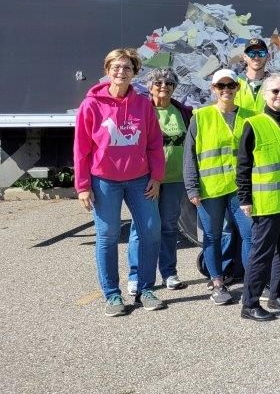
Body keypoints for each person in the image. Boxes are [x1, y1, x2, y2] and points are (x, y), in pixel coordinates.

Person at [74, 48, 166, 316]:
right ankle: (112, 295)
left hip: (140, 180)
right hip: (105, 182)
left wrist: (156, 177)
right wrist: (82, 186)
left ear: (134, 72)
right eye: (116, 66)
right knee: (108, 236)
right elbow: (81, 149)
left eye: (127, 67)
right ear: (107, 70)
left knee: (151, 230)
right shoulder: (91, 104)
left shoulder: (143, 105)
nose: (121, 71)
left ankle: (146, 289)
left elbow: (154, 145)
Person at [237, 74, 280, 321]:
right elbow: (243, 165)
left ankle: (277, 295)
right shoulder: (253, 124)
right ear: (265, 94)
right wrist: (245, 198)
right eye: (275, 91)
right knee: (261, 253)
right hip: (267, 202)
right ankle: (250, 303)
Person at [184, 69, 254, 306]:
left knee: (249, 234)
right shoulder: (200, 117)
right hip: (209, 189)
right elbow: (189, 157)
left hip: (241, 190)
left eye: (231, 85)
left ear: (237, 87)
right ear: (213, 89)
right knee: (212, 237)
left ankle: (250, 283)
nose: (226, 90)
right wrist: (192, 188)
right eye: (220, 86)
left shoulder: (250, 117)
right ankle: (217, 283)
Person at [125, 68, 192, 298]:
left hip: (175, 179)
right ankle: (135, 276)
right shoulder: (143, 110)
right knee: (141, 228)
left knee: (169, 227)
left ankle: (169, 273)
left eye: (169, 83)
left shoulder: (182, 112)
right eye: (158, 82)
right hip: (146, 179)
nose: (164, 86)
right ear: (149, 86)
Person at [235, 37, 270, 113]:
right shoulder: (234, 83)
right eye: (251, 54)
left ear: (267, 56)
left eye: (261, 53)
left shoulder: (275, 84)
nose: (256, 57)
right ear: (244, 57)